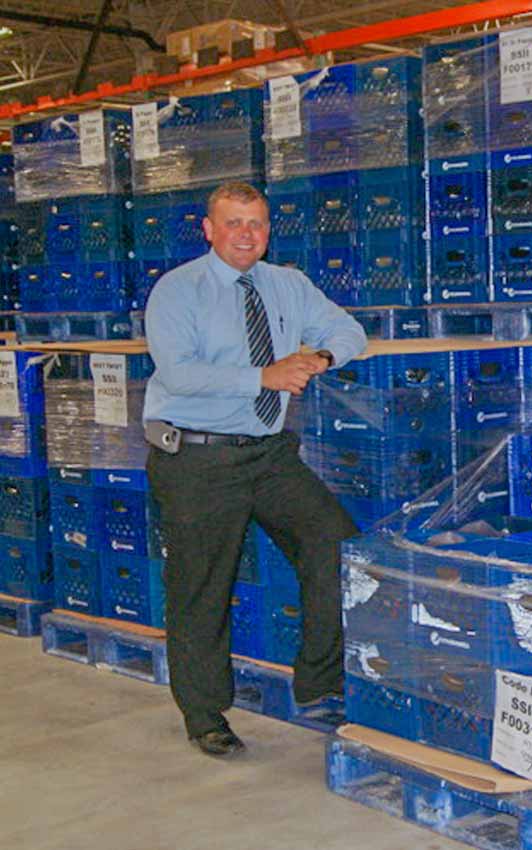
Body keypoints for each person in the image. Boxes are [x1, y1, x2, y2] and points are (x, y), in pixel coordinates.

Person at [143, 181, 367, 757]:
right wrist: (263, 375)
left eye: (258, 224)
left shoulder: (287, 284)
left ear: (269, 230)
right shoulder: (179, 290)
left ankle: (319, 682)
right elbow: (178, 372)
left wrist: (317, 356)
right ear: (209, 229)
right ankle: (204, 713)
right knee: (201, 586)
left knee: (335, 543)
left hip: (267, 454)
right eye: (235, 223)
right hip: (196, 456)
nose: (247, 235)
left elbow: (350, 332)